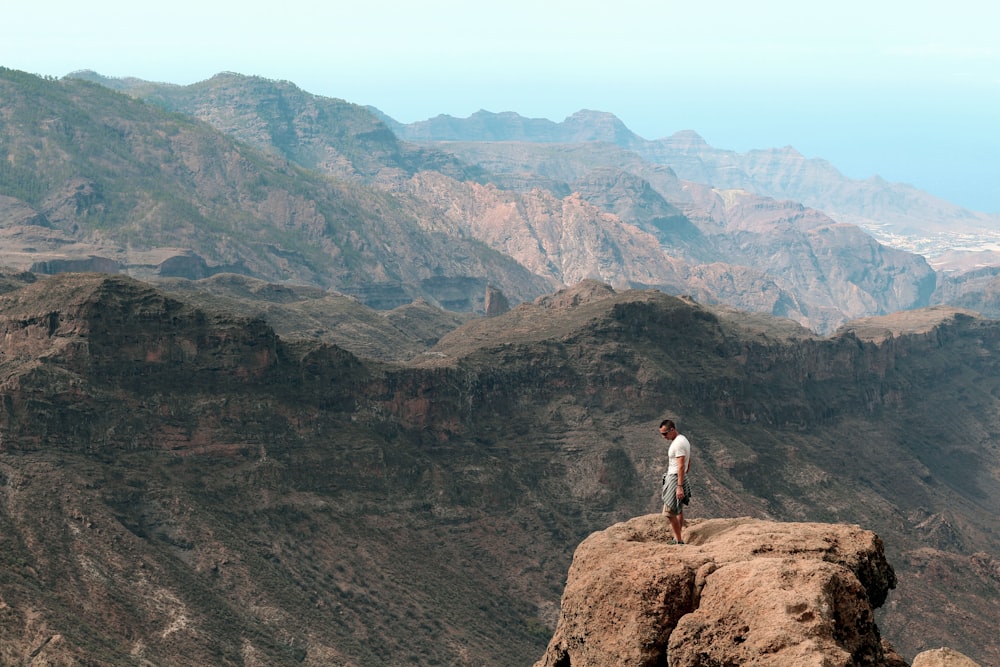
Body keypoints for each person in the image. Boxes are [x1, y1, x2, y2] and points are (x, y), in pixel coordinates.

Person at [660, 419, 691, 544]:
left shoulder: (678, 444)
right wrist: (684, 475)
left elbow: (681, 465)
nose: (663, 437)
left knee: (669, 512)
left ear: (672, 429)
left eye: (665, 433)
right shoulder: (683, 439)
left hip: (674, 478)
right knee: (678, 509)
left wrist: (679, 485)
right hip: (677, 477)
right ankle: (677, 537)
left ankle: (678, 540)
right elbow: (688, 461)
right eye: (662, 434)